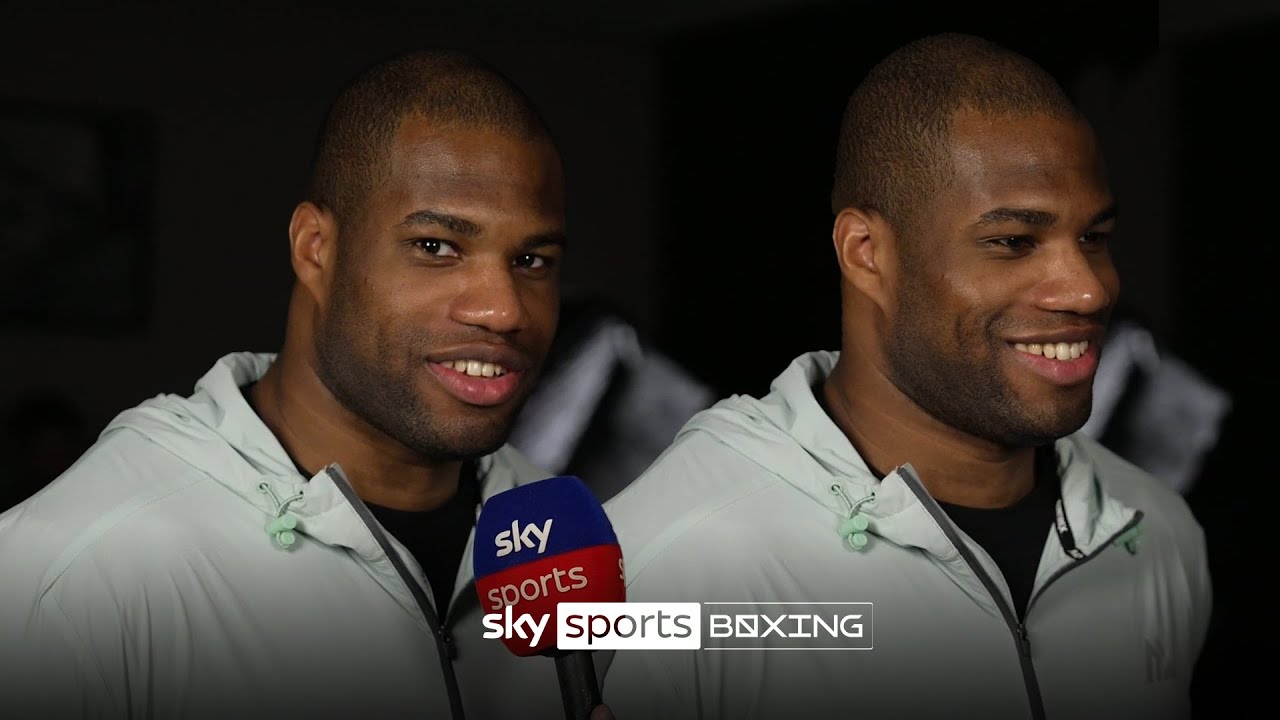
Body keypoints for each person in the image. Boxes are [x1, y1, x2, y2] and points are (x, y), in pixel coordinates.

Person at [600, 33, 1211, 720]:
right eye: (1013, 241)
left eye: (1093, 239)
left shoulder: (1156, 530)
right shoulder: (672, 558)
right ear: (866, 255)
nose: (1089, 291)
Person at [0, 49, 596, 720]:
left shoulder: (564, 535)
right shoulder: (66, 574)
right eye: (436, 246)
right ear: (316, 248)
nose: (504, 309)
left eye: (531, 259)